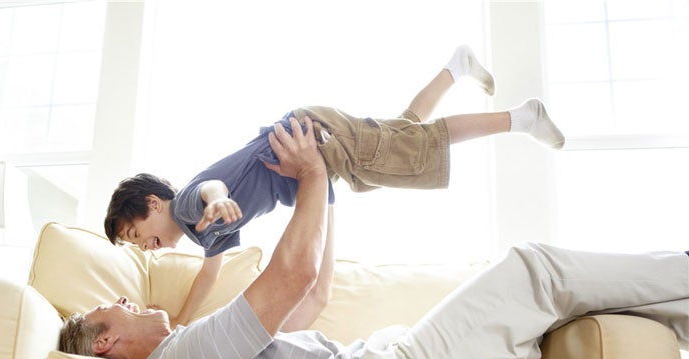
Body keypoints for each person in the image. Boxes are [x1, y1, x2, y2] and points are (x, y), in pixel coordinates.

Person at [60, 115, 688, 359]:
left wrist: (321, 193)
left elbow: (305, 301)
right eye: (110, 306)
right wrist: (309, 174)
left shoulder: (190, 354)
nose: (126, 294)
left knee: (569, 301)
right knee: (537, 270)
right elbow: (292, 277)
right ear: (108, 342)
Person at [103, 45, 566, 330]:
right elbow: (209, 274)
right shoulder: (206, 234)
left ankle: (522, 117)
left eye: (134, 235)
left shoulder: (188, 206)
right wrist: (182, 321)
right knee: (402, 136)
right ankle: (455, 67)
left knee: (415, 148)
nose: (143, 248)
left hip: (308, 138)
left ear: (151, 204)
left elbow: (210, 187)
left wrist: (220, 199)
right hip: (313, 170)